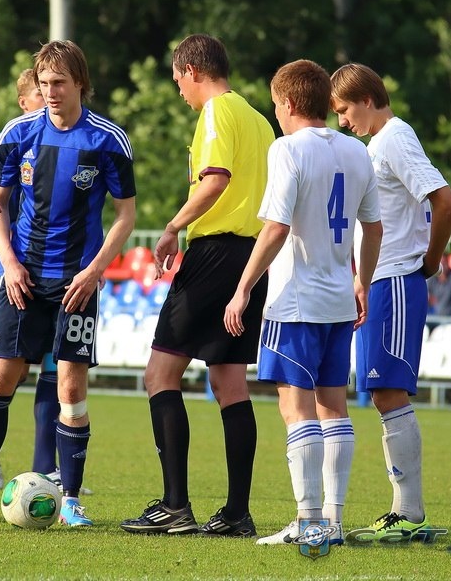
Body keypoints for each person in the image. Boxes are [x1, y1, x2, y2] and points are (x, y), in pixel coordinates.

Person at [0, 40, 136, 528]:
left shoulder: (108, 140)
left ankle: (71, 499)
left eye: (59, 83)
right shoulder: (18, 133)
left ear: (80, 84)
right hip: (22, 279)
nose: (50, 92)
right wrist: (9, 263)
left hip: (76, 283)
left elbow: (125, 216)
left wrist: (94, 270)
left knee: (71, 388)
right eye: (44, 83)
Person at [120, 34, 275, 538]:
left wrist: (172, 227)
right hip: (252, 256)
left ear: (191, 71)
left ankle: (175, 505)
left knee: (159, 374)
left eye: (177, 81)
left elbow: (216, 179)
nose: (180, 91)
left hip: (214, 254)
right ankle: (236, 513)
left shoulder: (215, 112)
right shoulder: (259, 120)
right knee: (230, 383)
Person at [222, 59, 382, 546]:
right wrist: (362, 282)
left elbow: (276, 227)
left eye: (275, 105)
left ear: (288, 103)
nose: (276, 112)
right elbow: (373, 227)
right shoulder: (357, 151)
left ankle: (309, 522)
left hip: (294, 302)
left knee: (296, 408)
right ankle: (333, 521)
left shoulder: (287, 149)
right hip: (338, 300)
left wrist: (243, 288)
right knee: (334, 407)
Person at [330, 62, 451, 539]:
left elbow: (445, 201)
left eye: (345, 110)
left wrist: (429, 260)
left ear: (366, 99)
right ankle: (405, 511)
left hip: (399, 279)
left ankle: (410, 513)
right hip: (381, 281)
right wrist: (363, 279)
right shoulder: (379, 143)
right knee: (381, 393)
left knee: (388, 392)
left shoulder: (395, 138)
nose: (342, 121)